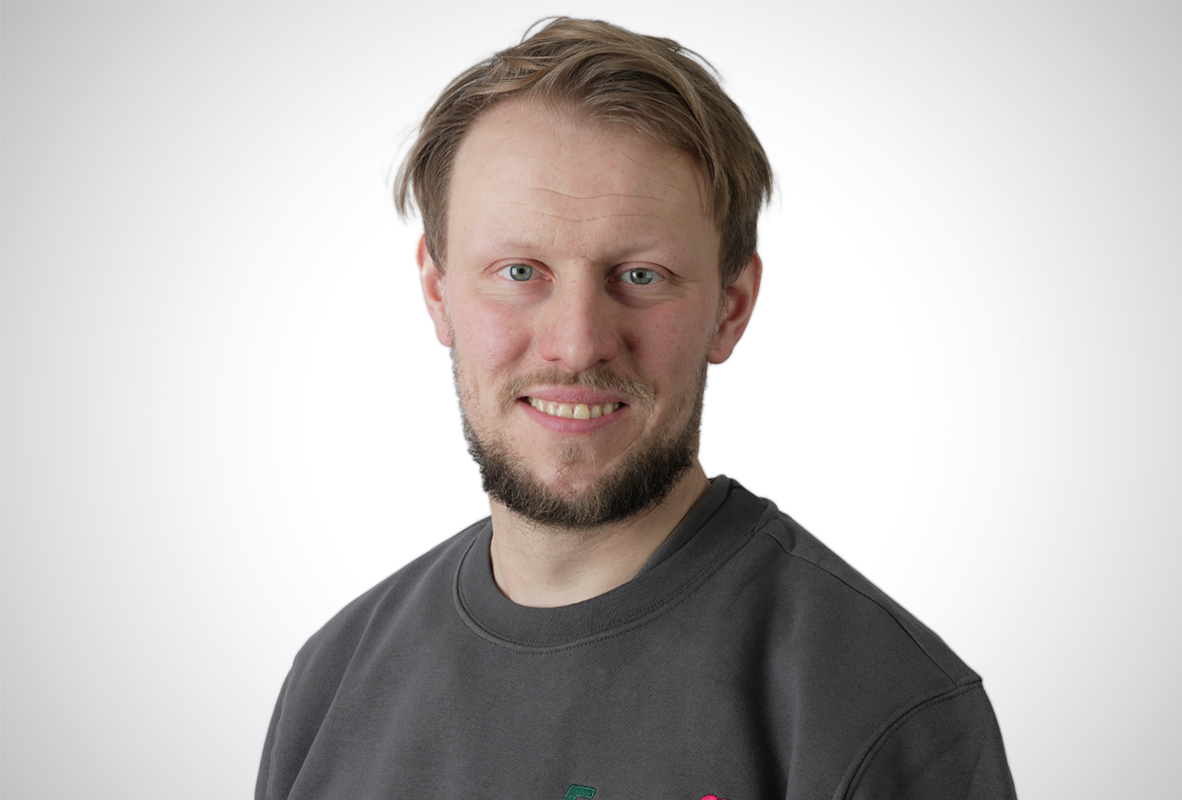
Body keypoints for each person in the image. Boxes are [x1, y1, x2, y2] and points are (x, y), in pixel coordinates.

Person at [257, 17, 1016, 800]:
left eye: (641, 276)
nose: (578, 344)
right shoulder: (332, 682)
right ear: (437, 290)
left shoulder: (881, 709)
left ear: (731, 307)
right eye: (519, 271)